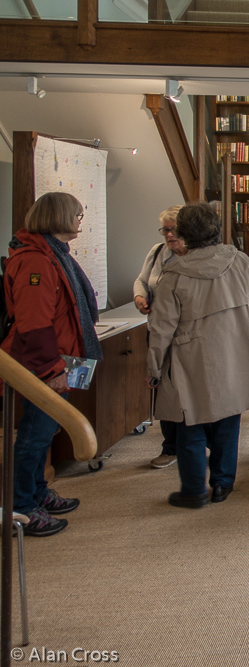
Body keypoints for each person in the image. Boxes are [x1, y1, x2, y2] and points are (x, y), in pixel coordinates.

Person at [146, 202, 249, 508]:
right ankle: (222, 484)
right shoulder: (240, 261)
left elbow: (161, 328)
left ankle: (193, 490)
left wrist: (154, 367)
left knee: (190, 422)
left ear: (183, 233)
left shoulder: (173, 273)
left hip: (191, 354)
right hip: (238, 347)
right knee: (229, 418)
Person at [2, 192, 103, 536]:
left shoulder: (55, 254)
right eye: (76, 214)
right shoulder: (36, 261)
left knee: (46, 431)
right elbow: (33, 323)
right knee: (34, 435)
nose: (80, 220)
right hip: (49, 362)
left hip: (69, 356)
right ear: (58, 216)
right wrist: (51, 370)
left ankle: (37, 493)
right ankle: (22, 507)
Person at [133, 205, 187, 469]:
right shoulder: (157, 252)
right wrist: (139, 297)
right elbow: (142, 280)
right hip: (157, 330)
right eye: (165, 230)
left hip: (184, 335)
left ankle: (193, 443)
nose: (168, 235)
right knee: (163, 389)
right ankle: (171, 446)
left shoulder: (194, 257)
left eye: (173, 230)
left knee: (185, 389)